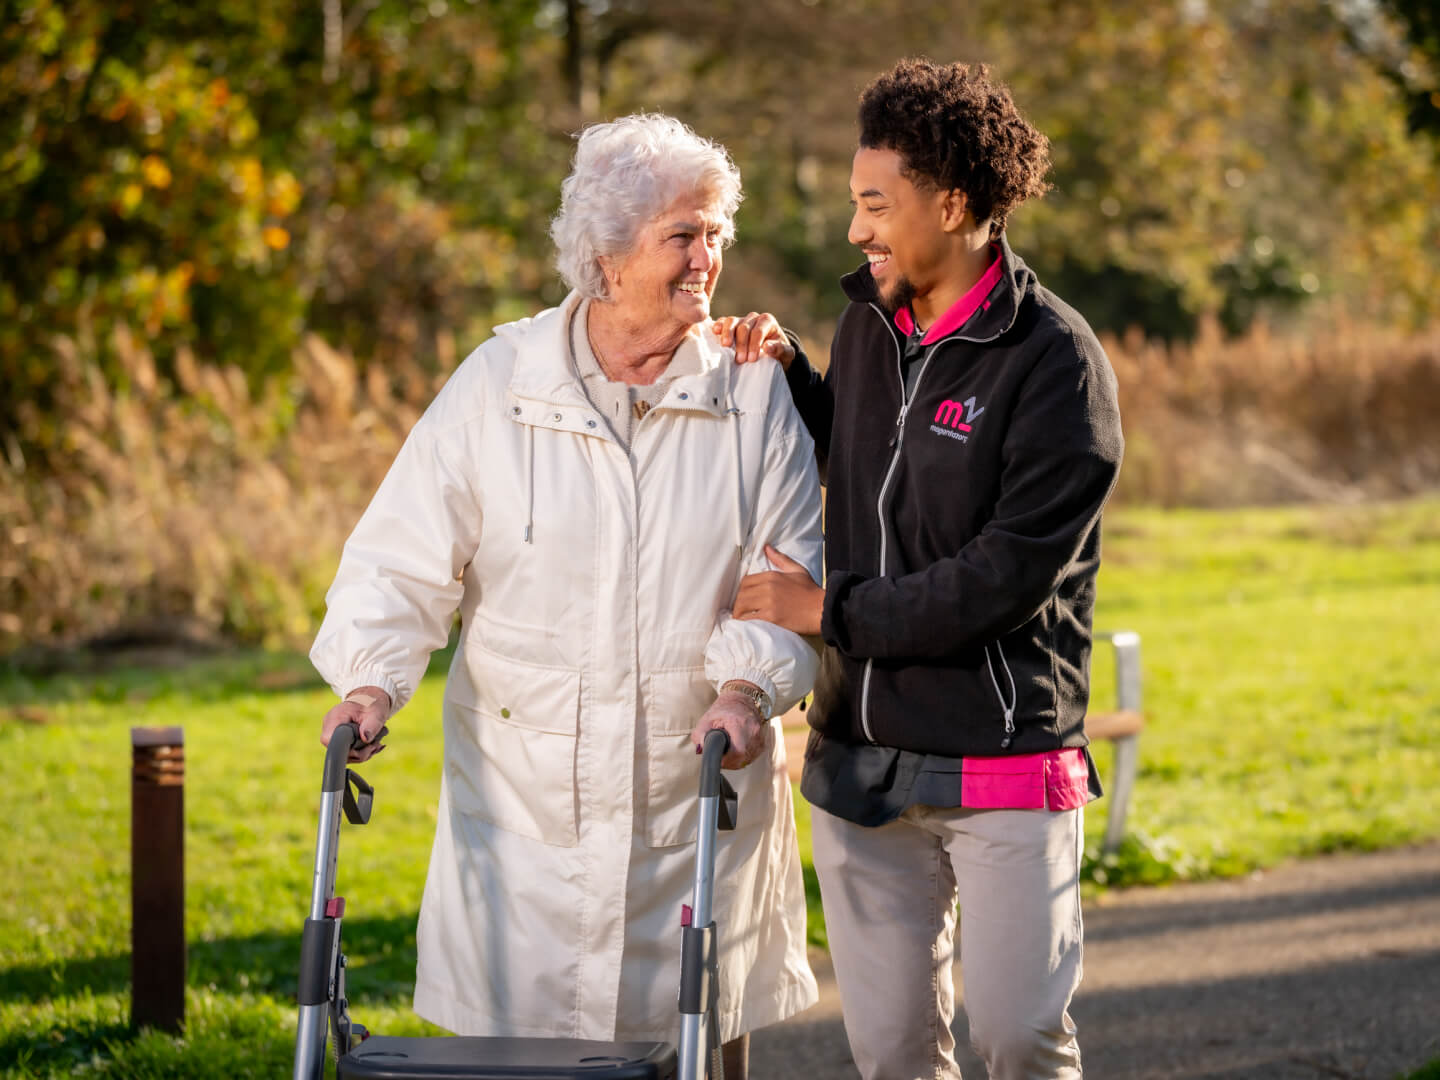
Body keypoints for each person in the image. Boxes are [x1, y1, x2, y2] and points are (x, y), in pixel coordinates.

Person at [309, 113, 822, 1078]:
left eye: (716, 233)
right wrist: (371, 680)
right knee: (522, 1045)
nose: (707, 257)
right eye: (683, 234)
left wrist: (747, 691)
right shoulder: (499, 381)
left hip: (697, 787)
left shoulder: (751, 394)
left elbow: (790, 573)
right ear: (608, 252)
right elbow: (403, 552)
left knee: (697, 1039)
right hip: (523, 805)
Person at [724, 59, 1124, 1079]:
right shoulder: (869, 322)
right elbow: (869, 457)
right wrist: (792, 380)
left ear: (951, 204)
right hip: (861, 757)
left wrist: (832, 610)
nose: (857, 229)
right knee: (895, 1052)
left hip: (1000, 761)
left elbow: (1003, 574)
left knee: (1017, 1036)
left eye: (874, 203)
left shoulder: (1055, 364)